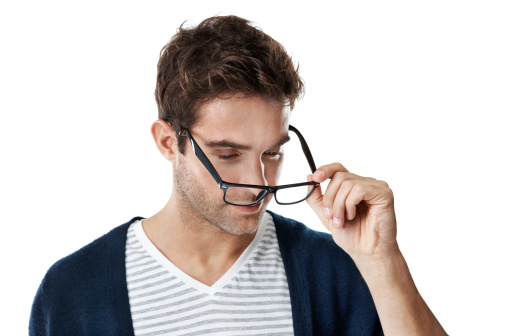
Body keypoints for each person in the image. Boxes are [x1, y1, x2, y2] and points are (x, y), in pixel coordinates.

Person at [29, 15, 447, 335]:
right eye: (228, 154)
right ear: (168, 143)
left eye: (272, 152)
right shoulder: (73, 290)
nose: (260, 181)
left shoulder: (334, 270)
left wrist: (381, 261)